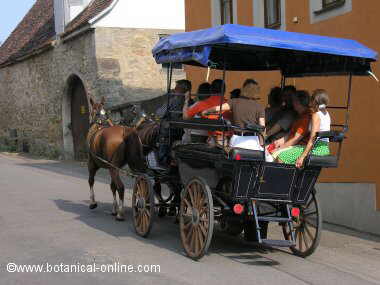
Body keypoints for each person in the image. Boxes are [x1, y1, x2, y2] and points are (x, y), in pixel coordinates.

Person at [202, 79, 265, 151]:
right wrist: (261, 143)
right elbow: (262, 128)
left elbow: (217, 108)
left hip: (236, 140)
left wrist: (206, 111)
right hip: (253, 141)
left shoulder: (234, 102)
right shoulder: (260, 107)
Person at [270, 90, 313, 164]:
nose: (292, 103)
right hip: (293, 145)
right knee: (268, 152)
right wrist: (278, 142)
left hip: (300, 147)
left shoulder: (305, 118)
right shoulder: (300, 116)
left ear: (297, 102)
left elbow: (295, 139)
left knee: (281, 157)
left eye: (293, 101)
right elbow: (291, 135)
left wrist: (280, 148)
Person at [157, 79, 192, 167]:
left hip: (171, 132)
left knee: (160, 132)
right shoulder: (192, 102)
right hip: (184, 132)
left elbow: (160, 113)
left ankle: (162, 161)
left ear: (181, 90)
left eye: (176, 88)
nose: (174, 89)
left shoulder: (172, 100)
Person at [294, 89, 331, 168]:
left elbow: (312, 138)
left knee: (283, 156)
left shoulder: (316, 115)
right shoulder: (326, 113)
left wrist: (302, 157)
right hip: (324, 148)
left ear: (314, 100)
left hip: (316, 149)